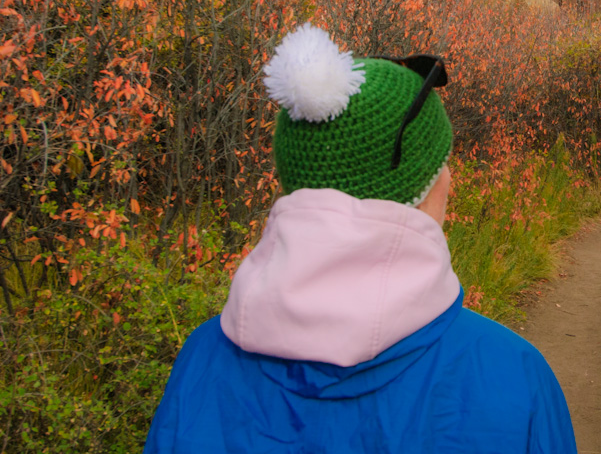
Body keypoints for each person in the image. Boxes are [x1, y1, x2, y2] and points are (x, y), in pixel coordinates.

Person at [144, 23, 577, 453]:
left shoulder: (201, 361)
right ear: (427, 189)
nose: (450, 175)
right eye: (443, 162)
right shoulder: (513, 376)